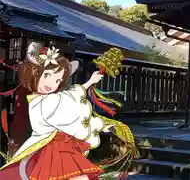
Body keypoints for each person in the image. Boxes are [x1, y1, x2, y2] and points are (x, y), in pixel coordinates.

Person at [0, 42, 114, 180]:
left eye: (58, 80)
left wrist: (90, 82)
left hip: (60, 146)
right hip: (50, 149)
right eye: (47, 75)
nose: (51, 84)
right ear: (34, 72)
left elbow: (69, 97)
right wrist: (96, 125)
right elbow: (68, 112)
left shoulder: (50, 99)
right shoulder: (41, 102)